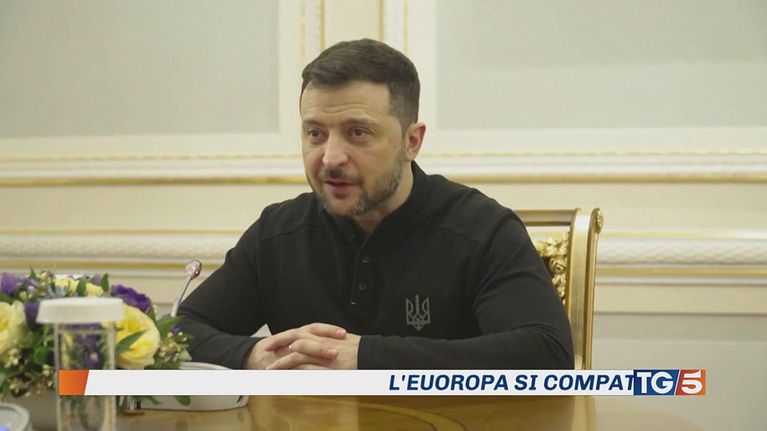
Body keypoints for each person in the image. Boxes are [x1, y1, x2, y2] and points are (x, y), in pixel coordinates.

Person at [177, 39, 573, 370]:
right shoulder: (279, 231)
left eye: (358, 133)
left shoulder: (481, 229)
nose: (331, 157)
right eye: (315, 133)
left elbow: (546, 353)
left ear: (411, 142)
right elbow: (178, 332)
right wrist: (255, 355)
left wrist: (366, 358)